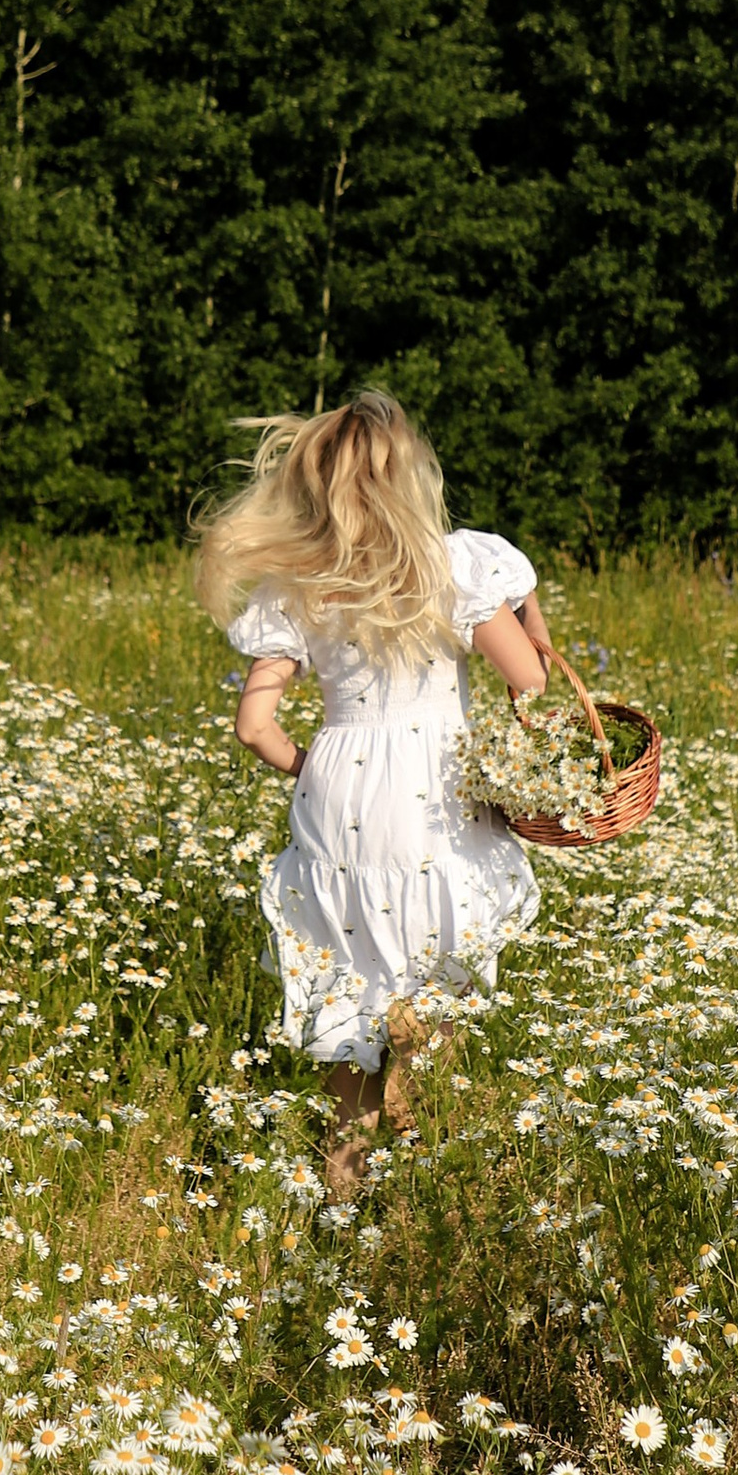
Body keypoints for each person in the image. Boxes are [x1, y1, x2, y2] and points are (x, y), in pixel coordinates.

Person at [193, 387, 555, 1196]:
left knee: (348, 1005)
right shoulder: (454, 565)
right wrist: (534, 634)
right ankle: (421, 1179)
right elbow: (531, 681)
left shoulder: (296, 587)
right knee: (437, 979)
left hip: (339, 791)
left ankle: (343, 1208)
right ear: (410, 475)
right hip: (433, 791)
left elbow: (255, 727)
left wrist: (312, 768)